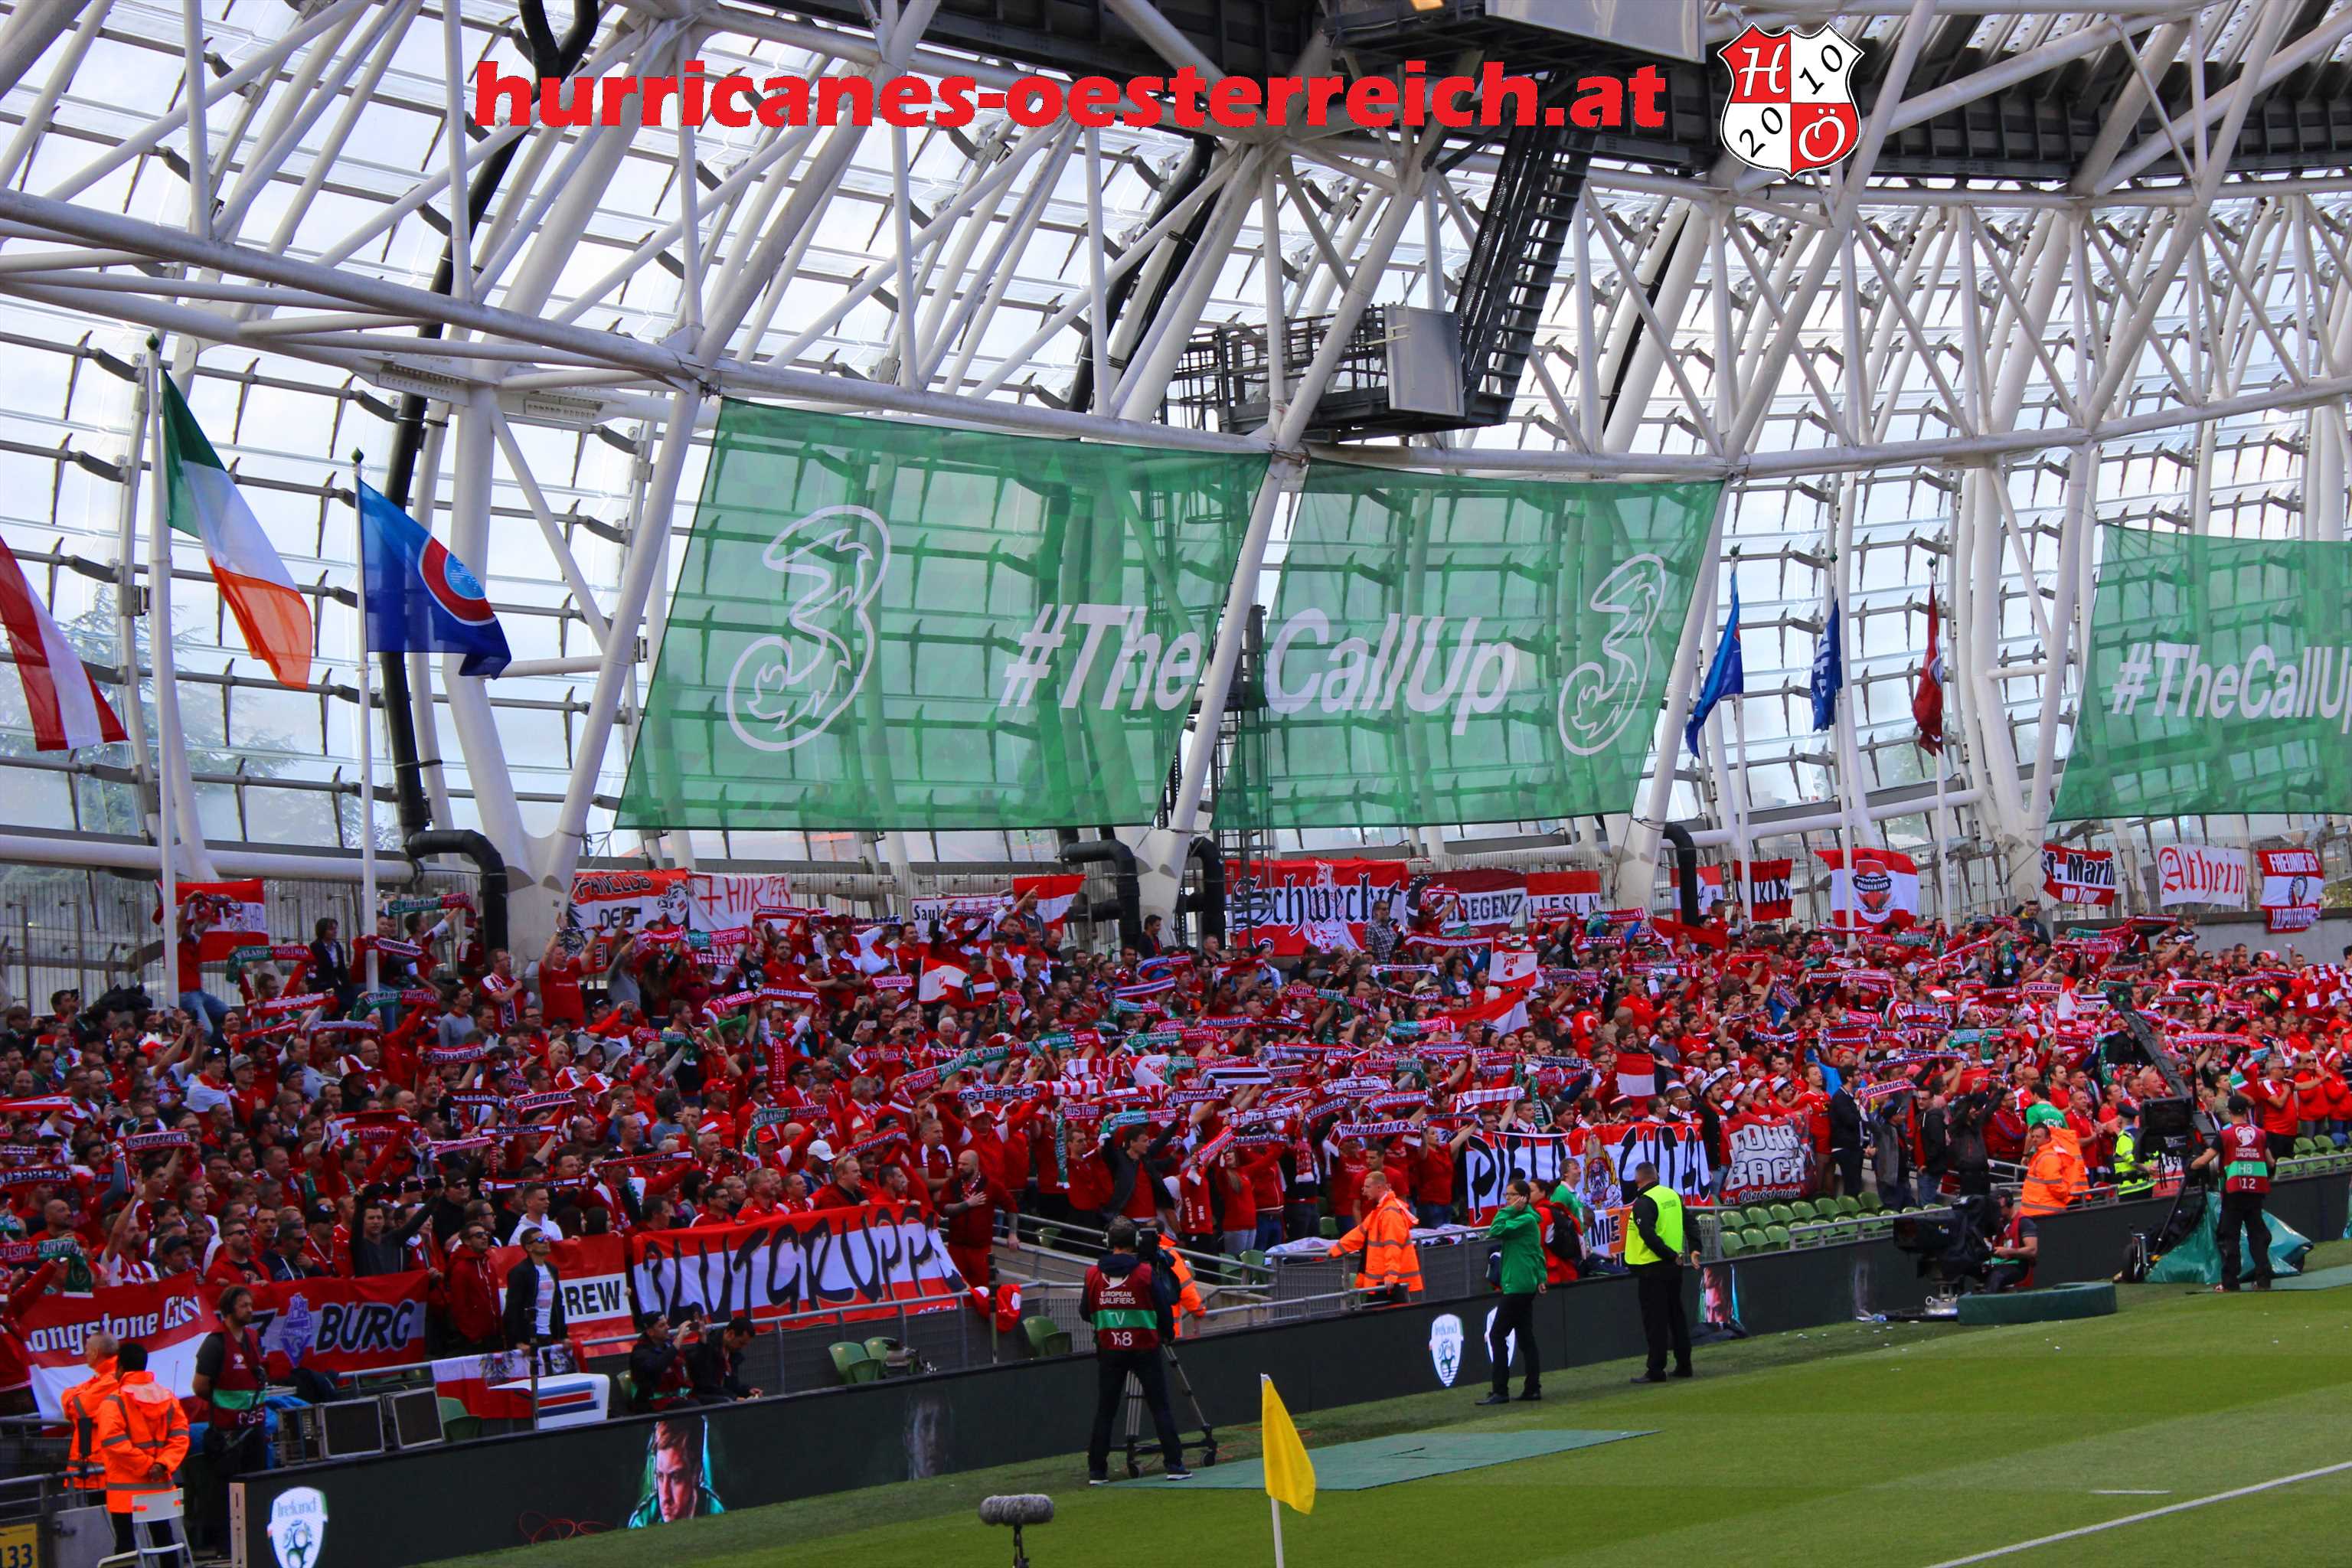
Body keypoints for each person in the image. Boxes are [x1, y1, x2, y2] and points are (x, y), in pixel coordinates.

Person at [1081, 1217, 1190, 1485]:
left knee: (1105, 1410)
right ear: (1137, 1242)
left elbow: (1085, 1312)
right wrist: (1167, 1334)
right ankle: (1174, 1465)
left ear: (1109, 1242)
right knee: (1160, 1407)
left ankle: (1097, 1471)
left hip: (1109, 1348)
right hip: (1145, 1348)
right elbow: (1163, 1308)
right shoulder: (1145, 1273)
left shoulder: (1092, 1274)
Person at [94, 1339, 191, 1556]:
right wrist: (162, 1464)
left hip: (124, 1493)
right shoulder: (168, 1398)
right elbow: (181, 1437)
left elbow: (112, 1442)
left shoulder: (114, 1402)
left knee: (125, 1547)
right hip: (160, 1488)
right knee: (165, 1541)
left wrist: (146, 1465)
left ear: (120, 1368)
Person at [191, 1284, 268, 1553]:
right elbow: (200, 1386)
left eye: (250, 1305)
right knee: (227, 1490)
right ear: (229, 1309)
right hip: (228, 1432)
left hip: (254, 1426)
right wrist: (226, 1404)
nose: (250, 1310)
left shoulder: (252, 1337)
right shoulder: (215, 1343)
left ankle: (256, 1541)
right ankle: (227, 1546)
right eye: (244, 1305)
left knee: (256, 1484)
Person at [2192, 1093, 2275, 1292]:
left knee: (2230, 1237)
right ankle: (2263, 1280)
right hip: (2255, 1191)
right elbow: (2271, 1162)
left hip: (2233, 1192)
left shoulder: (2225, 1135)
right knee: (2257, 1236)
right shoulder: (2260, 1134)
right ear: (2246, 1111)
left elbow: (2206, 1159)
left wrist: (2191, 1166)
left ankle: (2230, 1282)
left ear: (2229, 1112)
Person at [1477, 1178, 1545, 1406]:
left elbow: (1495, 1230)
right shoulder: (1528, 1219)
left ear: (1523, 1198)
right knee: (1525, 1337)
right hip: (1522, 1283)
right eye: (1506, 1196)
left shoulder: (1524, 1219)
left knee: (1497, 1335)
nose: (1507, 1200)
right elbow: (1537, 1251)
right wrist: (1541, 1277)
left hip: (1517, 1285)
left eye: (1511, 1195)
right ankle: (1532, 1388)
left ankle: (1501, 1390)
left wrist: (1507, 1211)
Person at [1623, 1161, 1694, 1383]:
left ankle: (1656, 1369)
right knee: (1676, 1316)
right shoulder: (1671, 1195)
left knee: (1655, 1322)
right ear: (1656, 1176)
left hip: (1652, 1267)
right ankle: (1684, 1364)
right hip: (1674, 1267)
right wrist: (1695, 1248)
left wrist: (1669, 1255)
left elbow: (1648, 1235)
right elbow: (1690, 1222)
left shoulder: (1644, 1202)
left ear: (1638, 1179)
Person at [1325, 1168, 1422, 1302]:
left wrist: (1391, 1274)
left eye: (1367, 1187)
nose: (1364, 1191)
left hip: (1390, 1282)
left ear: (1379, 1187)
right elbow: (1359, 1234)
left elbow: (1393, 1246)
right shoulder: (1380, 1210)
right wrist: (1335, 1250)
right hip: (1383, 1279)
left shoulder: (1389, 1213)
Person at [625, 1416, 726, 1527]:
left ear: (696, 1474)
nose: (665, 1496)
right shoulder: (643, 1521)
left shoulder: (716, 1512)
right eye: (660, 1477)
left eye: (676, 1478)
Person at [59, 1331, 119, 1505]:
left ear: (95, 1352)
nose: (84, 1353)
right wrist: (74, 1396)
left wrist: (73, 1396)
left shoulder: (112, 1379)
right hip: (100, 1467)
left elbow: (77, 1409)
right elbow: (72, 1399)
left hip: (104, 1468)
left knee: (109, 1516)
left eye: (86, 1349)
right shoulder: (104, 1378)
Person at [503, 1229, 568, 1348]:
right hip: (530, 1336)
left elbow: (557, 1303)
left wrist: (563, 1336)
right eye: (540, 1240)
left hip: (549, 1334)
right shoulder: (519, 1272)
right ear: (529, 1247)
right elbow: (513, 1308)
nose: (546, 1242)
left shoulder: (552, 1269)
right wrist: (517, 1341)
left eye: (547, 1238)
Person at [686, 1315, 763, 1403]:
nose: (742, 1347)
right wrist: (734, 1398)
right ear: (730, 1334)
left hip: (722, 1397)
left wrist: (748, 1391)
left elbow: (733, 1385)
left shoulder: (733, 1354)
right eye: (741, 1343)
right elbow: (707, 1385)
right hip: (702, 1397)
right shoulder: (708, 1347)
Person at [627, 1313, 689, 1413]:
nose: (668, 1327)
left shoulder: (668, 1344)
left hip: (676, 1398)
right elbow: (658, 1366)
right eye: (662, 1325)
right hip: (652, 1403)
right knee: (694, 1407)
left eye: (667, 1324)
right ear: (650, 1332)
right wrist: (680, 1337)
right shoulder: (640, 1353)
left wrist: (703, 1341)